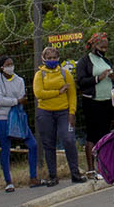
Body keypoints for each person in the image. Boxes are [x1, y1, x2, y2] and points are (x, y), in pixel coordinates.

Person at [33, 44, 84, 186]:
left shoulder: (65, 73)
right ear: (44, 59)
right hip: (45, 112)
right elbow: (39, 93)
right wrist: (58, 92)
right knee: (48, 143)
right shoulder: (40, 74)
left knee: (68, 139)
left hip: (63, 112)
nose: (52, 60)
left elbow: (72, 94)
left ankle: (75, 173)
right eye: (49, 58)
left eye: (54, 57)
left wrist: (72, 112)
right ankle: (53, 176)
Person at [0, 56, 39, 192]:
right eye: (7, 65)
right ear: (2, 67)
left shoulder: (19, 80)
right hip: (3, 117)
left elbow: (21, 97)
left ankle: (33, 177)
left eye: (12, 64)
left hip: (18, 116)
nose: (10, 67)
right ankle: (8, 181)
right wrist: (16, 101)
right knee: (5, 148)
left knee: (33, 144)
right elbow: (0, 100)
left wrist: (14, 101)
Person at [75, 32, 114, 173]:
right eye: (101, 47)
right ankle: (91, 169)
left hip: (107, 101)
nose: (104, 50)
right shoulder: (85, 61)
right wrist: (98, 78)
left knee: (105, 134)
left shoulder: (105, 60)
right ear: (93, 45)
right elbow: (81, 82)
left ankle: (104, 166)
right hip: (92, 102)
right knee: (92, 135)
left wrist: (113, 77)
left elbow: (109, 78)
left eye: (106, 48)